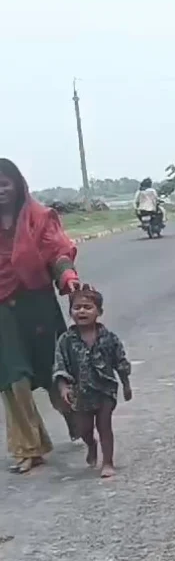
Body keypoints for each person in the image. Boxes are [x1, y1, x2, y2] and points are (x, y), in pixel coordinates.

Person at [0, 159, 82, 473]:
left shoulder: (38, 217)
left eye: (5, 183)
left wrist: (68, 277)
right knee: (13, 377)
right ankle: (29, 447)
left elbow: (57, 252)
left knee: (55, 373)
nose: (1, 190)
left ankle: (77, 418)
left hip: (37, 304)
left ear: (18, 184)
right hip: (3, 311)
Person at [52, 285, 131, 479]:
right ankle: (91, 445)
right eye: (77, 307)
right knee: (83, 429)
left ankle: (108, 462)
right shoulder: (66, 340)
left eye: (87, 307)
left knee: (105, 425)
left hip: (105, 390)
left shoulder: (109, 338)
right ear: (71, 312)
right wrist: (63, 388)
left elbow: (120, 361)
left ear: (99, 312)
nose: (82, 311)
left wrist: (126, 384)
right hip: (80, 393)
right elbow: (59, 365)